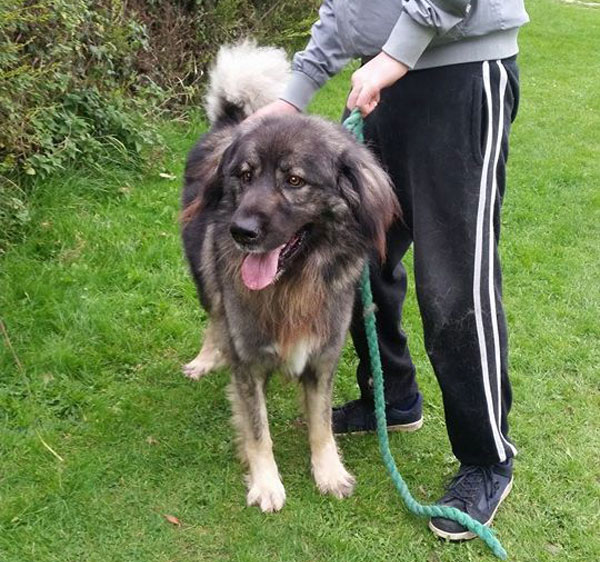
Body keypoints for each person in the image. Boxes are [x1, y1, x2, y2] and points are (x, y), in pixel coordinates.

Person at [251, 0, 529, 541]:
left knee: (454, 283)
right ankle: (393, 397)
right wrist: (294, 93)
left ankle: (487, 459)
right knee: (353, 260)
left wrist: (394, 56)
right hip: (380, 88)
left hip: (460, 74)